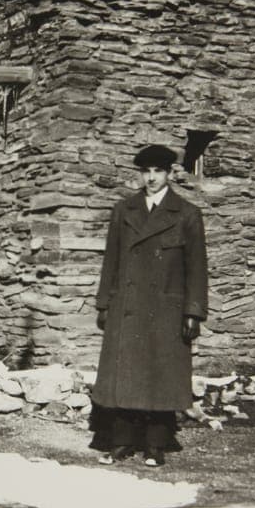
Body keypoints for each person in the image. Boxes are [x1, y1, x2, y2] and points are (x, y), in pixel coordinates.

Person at [89, 144, 208, 467]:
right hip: (127, 305)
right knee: (124, 376)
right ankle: (121, 440)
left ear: (170, 174)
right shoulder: (124, 211)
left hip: (165, 309)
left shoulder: (186, 214)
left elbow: (197, 268)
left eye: (158, 171)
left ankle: (156, 444)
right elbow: (110, 261)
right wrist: (104, 303)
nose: (152, 178)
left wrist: (193, 311)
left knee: (160, 375)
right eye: (146, 171)